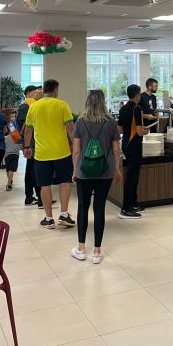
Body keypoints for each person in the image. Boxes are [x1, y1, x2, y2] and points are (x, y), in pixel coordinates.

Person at [71, 90, 122, 262]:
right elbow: (116, 150)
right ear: (103, 103)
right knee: (99, 209)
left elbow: (76, 151)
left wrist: (74, 171)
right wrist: (117, 170)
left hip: (84, 172)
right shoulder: (111, 123)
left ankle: (81, 248)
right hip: (105, 172)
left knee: (83, 207)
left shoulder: (80, 122)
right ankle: (97, 252)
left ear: (87, 102)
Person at [23, 79, 75, 230]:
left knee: (44, 184)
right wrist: (75, 145)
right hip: (62, 152)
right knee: (64, 182)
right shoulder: (62, 104)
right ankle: (64, 214)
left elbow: (28, 130)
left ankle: (49, 218)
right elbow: (70, 128)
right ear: (55, 90)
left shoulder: (34, 107)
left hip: (41, 153)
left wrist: (27, 147)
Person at [118, 84, 149, 219]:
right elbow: (140, 131)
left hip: (126, 143)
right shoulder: (137, 108)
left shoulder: (123, 108)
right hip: (134, 144)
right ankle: (126, 208)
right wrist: (146, 131)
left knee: (133, 175)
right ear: (137, 95)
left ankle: (133, 204)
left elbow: (120, 129)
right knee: (132, 177)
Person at [16, 85, 42, 206]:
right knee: (33, 169)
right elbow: (25, 125)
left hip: (33, 142)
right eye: (36, 92)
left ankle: (33, 196)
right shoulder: (25, 106)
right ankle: (36, 196)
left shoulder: (31, 105)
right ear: (29, 93)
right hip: (30, 143)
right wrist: (25, 145)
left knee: (31, 169)